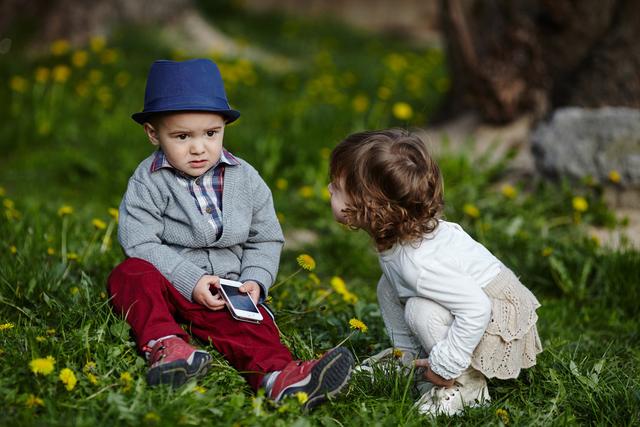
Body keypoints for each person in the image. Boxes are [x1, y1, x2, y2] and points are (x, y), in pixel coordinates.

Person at [107, 58, 354, 410]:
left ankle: (280, 379)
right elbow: (139, 241)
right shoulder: (147, 181)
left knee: (249, 326)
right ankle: (167, 346)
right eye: (181, 136)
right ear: (153, 134)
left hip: (225, 290)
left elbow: (264, 237)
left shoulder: (246, 178)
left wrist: (255, 279)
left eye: (211, 133)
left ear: (224, 126)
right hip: (169, 280)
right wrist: (189, 279)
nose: (199, 147)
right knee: (129, 275)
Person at [327, 128, 542, 416]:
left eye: (337, 187)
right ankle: (410, 361)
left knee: (419, 310)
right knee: (387, 287)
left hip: (498, 318)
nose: (329, 189)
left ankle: (464, 384)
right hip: (473, 309)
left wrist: (447, 363)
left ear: (369, 206)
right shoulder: (399, 239)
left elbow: (477, 308)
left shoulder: (419, 263)